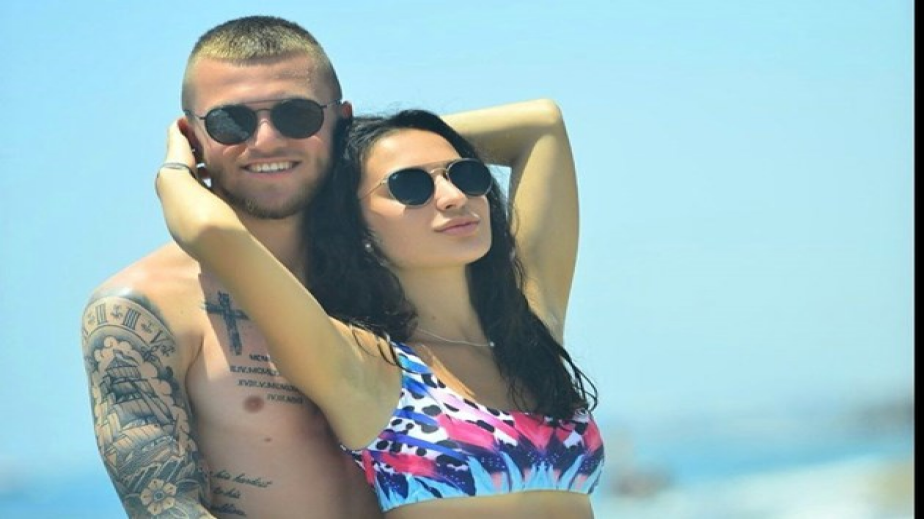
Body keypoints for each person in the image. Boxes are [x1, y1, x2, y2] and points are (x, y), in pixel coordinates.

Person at [155, 99, 605, 518]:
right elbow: (214, 233)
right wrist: (178, 166)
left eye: (465, 174)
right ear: (357, 225)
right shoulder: (364, 366)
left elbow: (542, 124)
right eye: (410, 186)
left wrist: (362, 140)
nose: (453, 196)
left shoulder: (525, 335)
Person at [80, 16, 382, 518]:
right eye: (230, 122)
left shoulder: (397, 274)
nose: (265, 141)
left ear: (342, 121)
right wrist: (174, 176)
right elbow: (166, 508)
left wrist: (375, 147)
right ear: (191, 136)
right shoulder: (142, 310)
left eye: (297, 115)